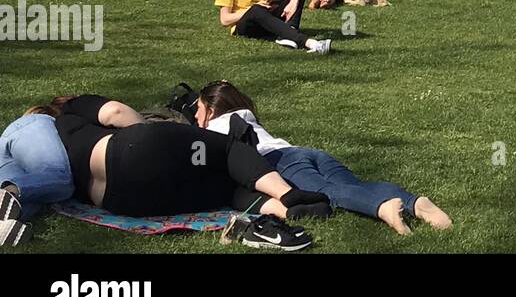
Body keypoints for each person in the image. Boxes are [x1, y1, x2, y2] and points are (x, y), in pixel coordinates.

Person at [40, 94, 324, 246]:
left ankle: (280, 212)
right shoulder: (71, 110)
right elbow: (115, 112)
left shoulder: (51, 153)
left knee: (225, 189)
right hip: (132, 149)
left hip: (126, 201)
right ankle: (288, 197)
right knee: (225, 150)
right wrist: (154, 134)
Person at [194, 81, 451, 233]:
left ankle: (383, 209)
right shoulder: (244, 114)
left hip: (277, 162)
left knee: (328, 192)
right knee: (353, 185)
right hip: (304, 152)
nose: (195, 116)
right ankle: (414, 202)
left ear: (212, 110)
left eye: (198, 109)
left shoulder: (216, 127)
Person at [1, 109, 75, 236]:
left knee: (30, 200)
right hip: (31, 127)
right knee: (60, 178)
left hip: (5, 154)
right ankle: (10, 190)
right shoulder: (42, 120)